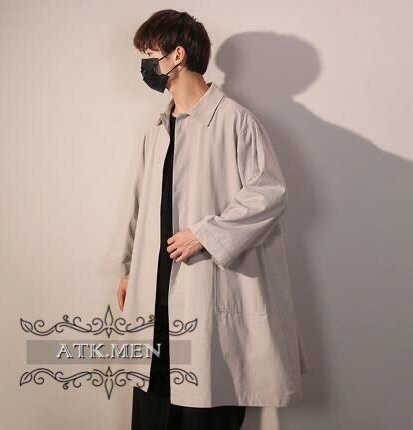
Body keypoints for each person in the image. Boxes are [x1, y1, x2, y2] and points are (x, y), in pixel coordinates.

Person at [117, 8, 308, 430]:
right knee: (152, 411)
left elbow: (270, 192)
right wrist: (130, 268)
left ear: (177, 55)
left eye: (149, 52)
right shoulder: (157, 129)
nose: (145, 63)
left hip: (206, 293)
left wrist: (204, 234)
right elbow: (141, 206)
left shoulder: (235, 121)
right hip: (155, 298)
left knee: (205, 404)